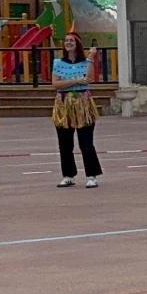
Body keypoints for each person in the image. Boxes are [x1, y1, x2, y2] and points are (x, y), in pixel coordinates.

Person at [51, 31, 102, 188]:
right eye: (66, 40)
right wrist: (77, 80)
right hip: (64, 103)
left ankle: (92, 175)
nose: (68, 43)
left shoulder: (85, 62)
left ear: (77, 44)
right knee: (65, 143)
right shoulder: (58, 63)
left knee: (86, 142)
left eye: (71, 40)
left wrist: (91, 59)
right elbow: (56, 84)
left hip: (82, 103)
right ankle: (68, 175)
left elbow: (90, 79)